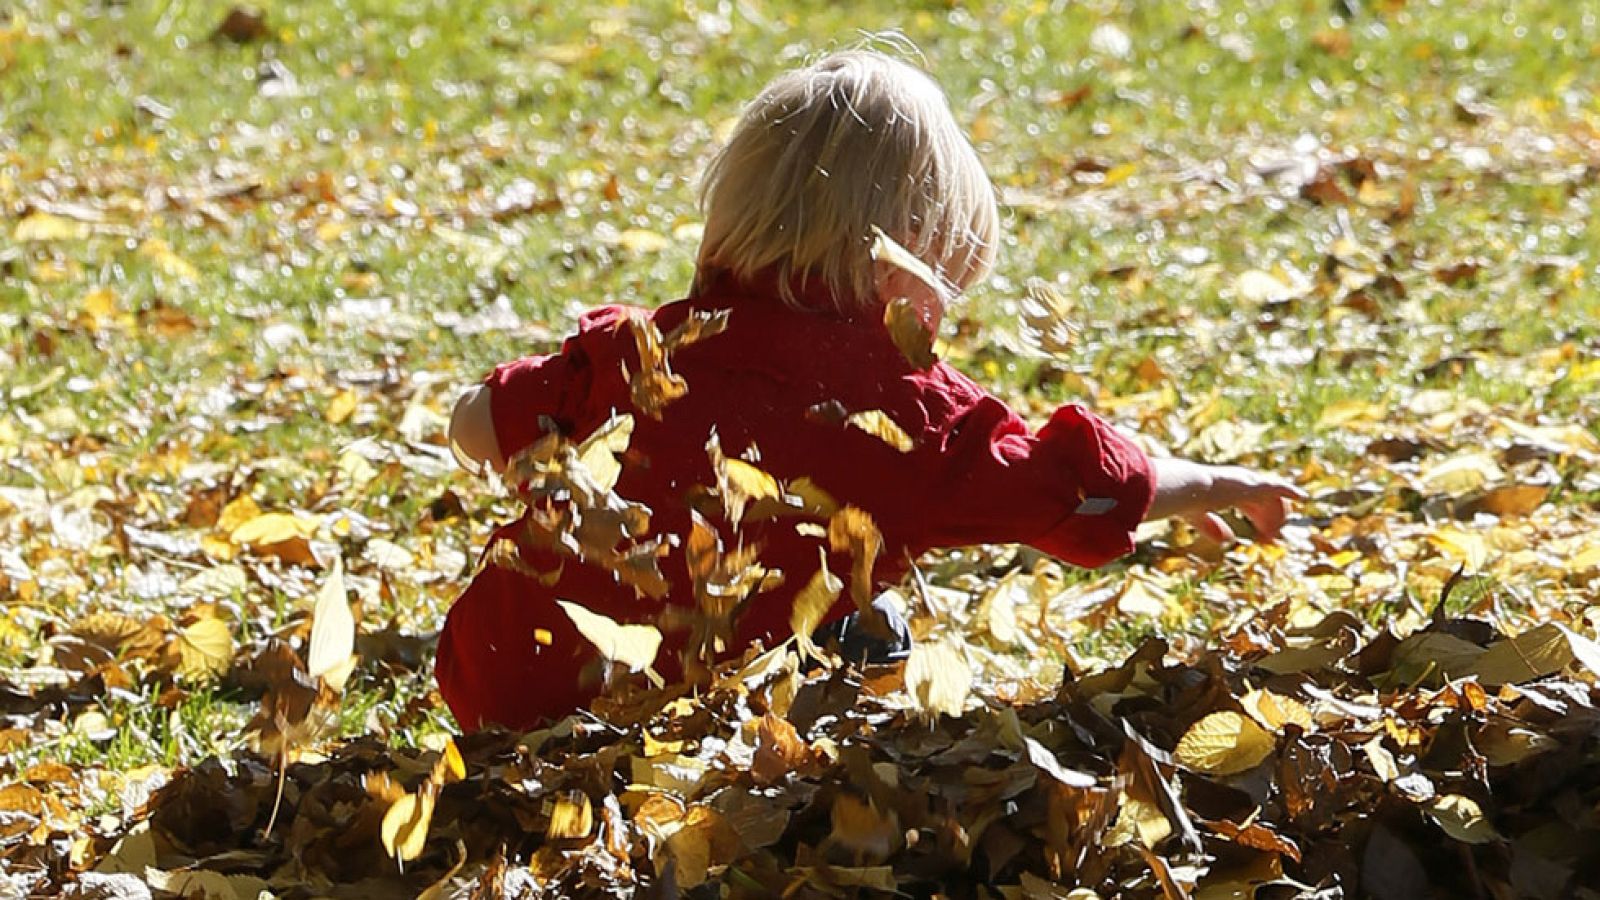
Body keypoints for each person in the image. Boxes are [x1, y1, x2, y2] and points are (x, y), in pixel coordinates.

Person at [440, 49, 1302, 732]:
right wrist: (1216, 483)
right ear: (905, 267)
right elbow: (1079, 488)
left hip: (495, 682)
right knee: (871, 623)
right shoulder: (904, 421)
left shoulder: (639, 353)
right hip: (686, 718)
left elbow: (476, 427)